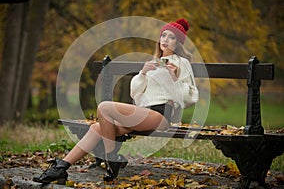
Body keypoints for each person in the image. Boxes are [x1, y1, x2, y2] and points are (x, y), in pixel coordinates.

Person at [33, 18, 198, 184]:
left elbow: (190, 97)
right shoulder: (153, 62)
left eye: (172, 37)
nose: (165, 40)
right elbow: (136, 93)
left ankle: (112, 159)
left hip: (160, 115)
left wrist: (174, 77)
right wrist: (142, 74)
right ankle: (61, 168)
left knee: (104, 107)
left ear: (178, 43)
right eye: (164, 35)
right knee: (96, 128)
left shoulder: (181, 63)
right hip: (143, 112)